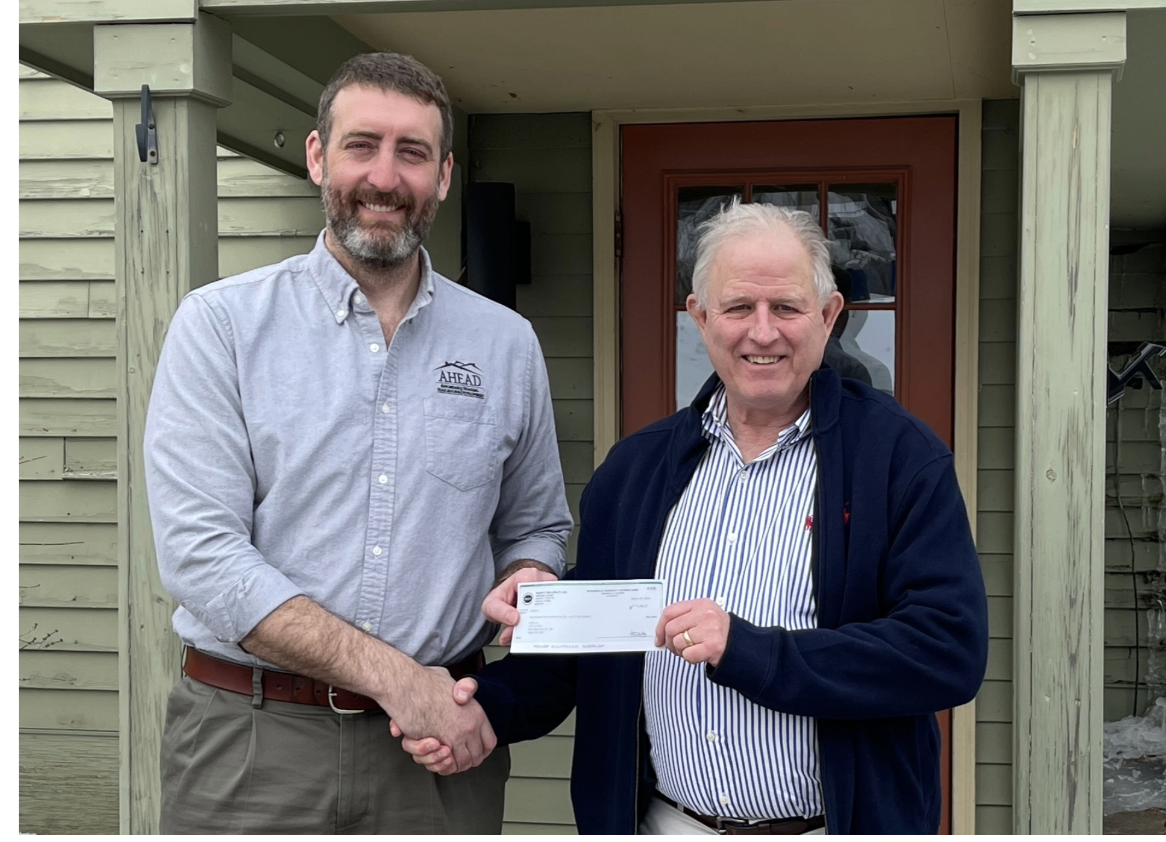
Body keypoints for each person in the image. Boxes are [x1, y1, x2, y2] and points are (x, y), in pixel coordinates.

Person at [405, 201, 988, 834]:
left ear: (827, 317)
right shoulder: (635, 470)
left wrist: (749, 650)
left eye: (786, 308)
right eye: (738, 307)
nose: (762, 332)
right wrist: (492, 706)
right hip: (664, 823)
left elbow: (945, 650)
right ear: (700, 317)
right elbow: (593, 651)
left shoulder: (899, 458)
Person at [144, 52, 572, 834]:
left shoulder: (505, 344)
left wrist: (529, 574)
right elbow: (203, 556)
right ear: (317, 156)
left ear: (443, 176)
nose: (385, 177)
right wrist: (397, 679)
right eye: (361, 146)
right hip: (251, 739)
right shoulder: (222, 326)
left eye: (412, 153)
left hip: (441, 752)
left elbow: (535, 525)